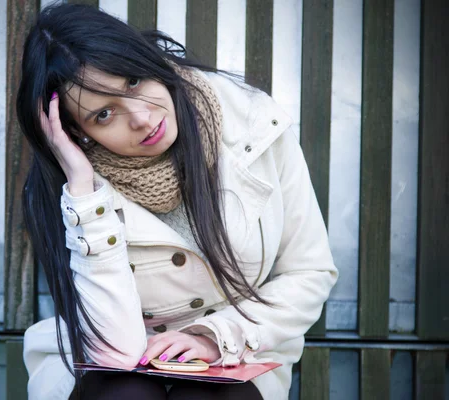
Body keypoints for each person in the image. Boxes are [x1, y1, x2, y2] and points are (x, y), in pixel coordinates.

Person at [19, 4, 338, 400]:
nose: (139, 117)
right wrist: (86, 194)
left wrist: (215, 336)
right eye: (103, 114)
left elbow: (309, 272)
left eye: (133, 80)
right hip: (114, 369)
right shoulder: (69, 187)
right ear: (76, 133)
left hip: (239, 348)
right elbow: (115, 352)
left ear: (149, 60)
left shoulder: (252, 127)